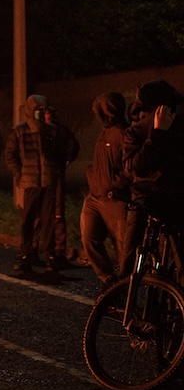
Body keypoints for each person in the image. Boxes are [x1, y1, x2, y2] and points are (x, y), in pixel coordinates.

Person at [120, 80, 184, 278]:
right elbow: (135, 167)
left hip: (174, 199)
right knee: (129, 260)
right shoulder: (137, 131)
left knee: (178, 262)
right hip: (145, 198)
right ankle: (120, 298)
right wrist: (157, 133)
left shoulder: (180, 129)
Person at [4, 94, 62, 272]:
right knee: (28, 220)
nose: (41, 112)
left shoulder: (51, 130)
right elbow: (10, 155)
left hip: (47, 182)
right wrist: (20, 174)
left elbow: (61, 151)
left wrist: (55, 170)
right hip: (30, 183)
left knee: (48, 220)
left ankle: (50, 256)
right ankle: (27, 254)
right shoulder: (19, 131)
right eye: (37, 109)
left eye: (42, 109)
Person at [79, 92, 131, 285]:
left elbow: (131, 167)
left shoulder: (122, 133)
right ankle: (109, 280)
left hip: (115, 199)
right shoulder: (104, 132)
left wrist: (113, 186)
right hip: (95, 198)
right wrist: (91, 175)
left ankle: (124, 291)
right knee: (89, 238)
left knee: (123, 248)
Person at [42, 106, 80, 270]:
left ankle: (58, 251)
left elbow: (73, 144)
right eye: (46, 114)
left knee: (57, 213)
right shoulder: (39, 130)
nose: (48, 116)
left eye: (50, 113)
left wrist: (67, 159)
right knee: (43, 213)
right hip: (42, 177)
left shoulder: (60, 131)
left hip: (56, 174)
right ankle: (44, 250)